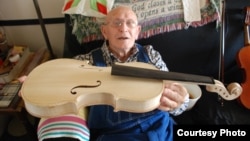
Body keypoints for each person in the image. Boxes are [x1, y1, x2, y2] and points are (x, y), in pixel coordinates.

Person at [21, 5, 189, 141]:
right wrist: (36, 82)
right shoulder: (85, 61)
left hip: (156, 130)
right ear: (104, 32)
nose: (123, 28)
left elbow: (177, 99)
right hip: (112, 135)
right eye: (116, 23)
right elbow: (59, 80)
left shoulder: (152, 55)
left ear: (137, 32)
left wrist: (180, 101)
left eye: (130, 23)